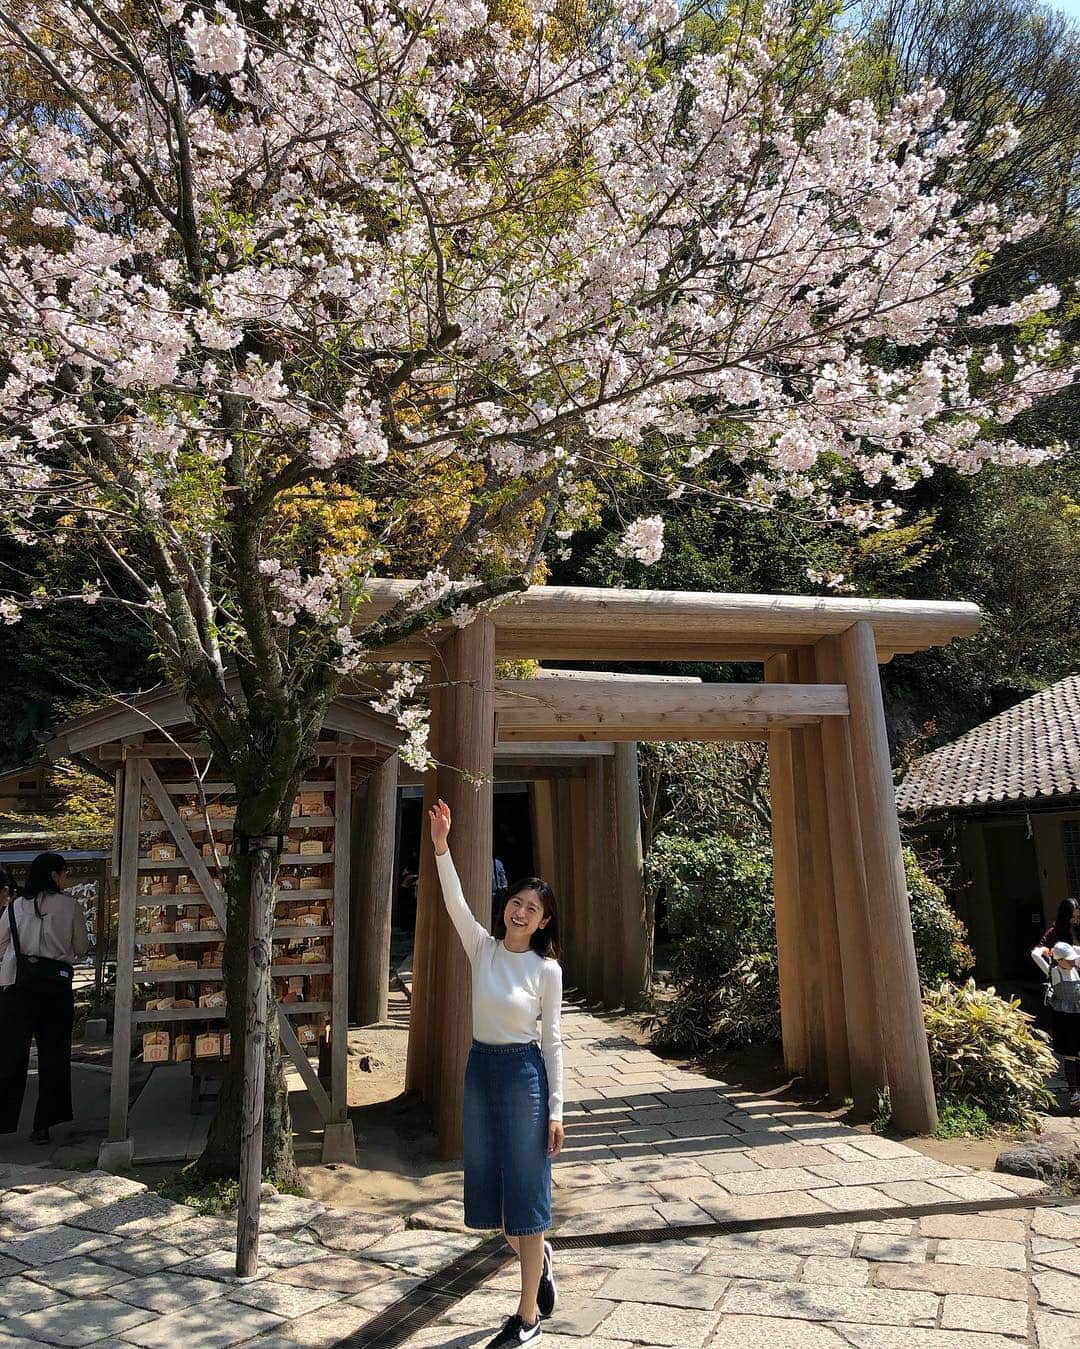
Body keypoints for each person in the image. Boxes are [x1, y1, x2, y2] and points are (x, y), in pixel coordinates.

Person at [429, 798, 564, 1349]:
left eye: (533, 909)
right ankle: (543, 1261)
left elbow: (553, 1042)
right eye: (516, 902)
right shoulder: (481, 948)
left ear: (544, 921)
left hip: (524, 1078)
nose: (521, 912)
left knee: (526, 1203)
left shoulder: (545, 970)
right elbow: (455, 901)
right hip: (480, 1071)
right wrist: (441, 846)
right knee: (496, 1203)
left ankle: (527, 1317)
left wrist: (556, 1110)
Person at [0, 852, 89, 1143]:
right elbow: (81, 948)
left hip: (17, 986)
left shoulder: (13, 908)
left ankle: (3, 1121)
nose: (65, 879)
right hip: (55, 988)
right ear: (54, 875)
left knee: (11, 1055)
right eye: (63, 874)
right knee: (54, 1054)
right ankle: (43, 1124)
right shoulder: (71, 906)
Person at [1031, 936, 1080, 1112]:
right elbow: (1035, 954)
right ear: (1059, 960)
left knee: (1078, 1054)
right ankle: (1074, 1093)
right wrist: (1046, 950)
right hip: (1064, 1018)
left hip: (1078, 1015)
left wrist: (1070, 948)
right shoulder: (1053, 970)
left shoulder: (1075, 967)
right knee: (1070, 1054)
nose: (1072, 961)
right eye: (1068, 959)